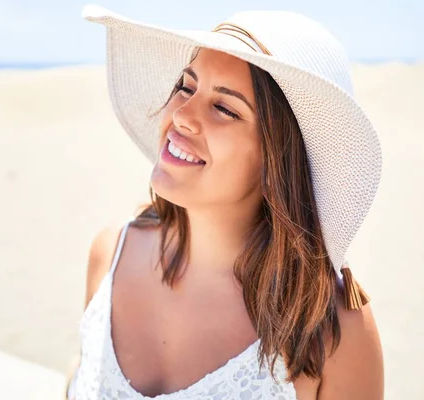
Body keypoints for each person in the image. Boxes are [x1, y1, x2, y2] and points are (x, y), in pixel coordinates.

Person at [66, 4, 384, 399]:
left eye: (224, 108)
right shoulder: (110, 253)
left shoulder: (331, 325)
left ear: (277, 160)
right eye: (186, 86)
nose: (181, 115)